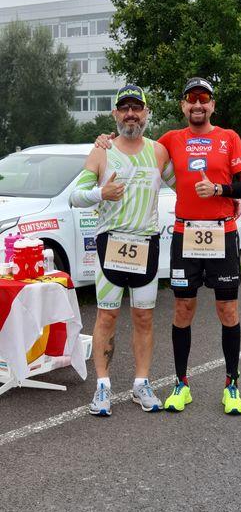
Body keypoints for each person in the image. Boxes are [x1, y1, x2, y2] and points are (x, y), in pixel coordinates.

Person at [95, 77, 241, 415]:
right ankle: (182, 384)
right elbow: (132, 141)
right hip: (186, 235)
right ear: (183, 106)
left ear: (212, 104)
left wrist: (221, 191)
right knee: (183, 310)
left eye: (204, 99)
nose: (198, 105)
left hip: (221, 234)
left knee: (228, 311)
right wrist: (106, 140)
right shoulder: (169, 140)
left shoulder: (229, 138)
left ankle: (232, 386)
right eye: (191, 99)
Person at [70, 84, 175, 416]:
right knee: (107, 315)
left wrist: (227, 198)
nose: (131, 113)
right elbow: (76, 196)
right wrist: (103, 193)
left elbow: (183, 184)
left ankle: (141, 384)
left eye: (137, 107)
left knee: (143, 317)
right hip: (111, 243)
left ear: (146, 113)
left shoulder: (158, 152)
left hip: (146, 243)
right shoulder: (102, 151)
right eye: (124, 107)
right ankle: (103, 388)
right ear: (115, 113)